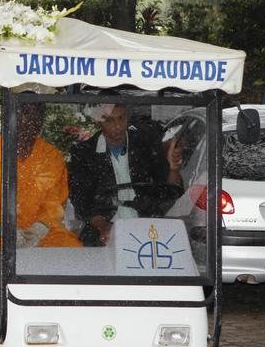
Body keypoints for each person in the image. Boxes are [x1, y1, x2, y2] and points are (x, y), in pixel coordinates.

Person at [0, 98, 82, 347]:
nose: (29, 122)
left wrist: (40, 227)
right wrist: (4, 227)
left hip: (39, 230)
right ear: (10, 119)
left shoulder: (51, 156)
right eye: (23, 114)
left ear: (41, 122)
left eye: (35, 116)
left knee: (72, 247)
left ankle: (72, 320)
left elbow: (55, 201)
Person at [69, 98, 183, 247]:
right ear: (98, 121)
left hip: (150, 230)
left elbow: (169, 193)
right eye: (109, 120)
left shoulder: (147, 145)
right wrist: (102, 225)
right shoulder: (84, 153)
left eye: (121, 118)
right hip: (104, 234)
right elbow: (81, 201)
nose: (117, 126)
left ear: (127, 116)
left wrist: (173, 169)